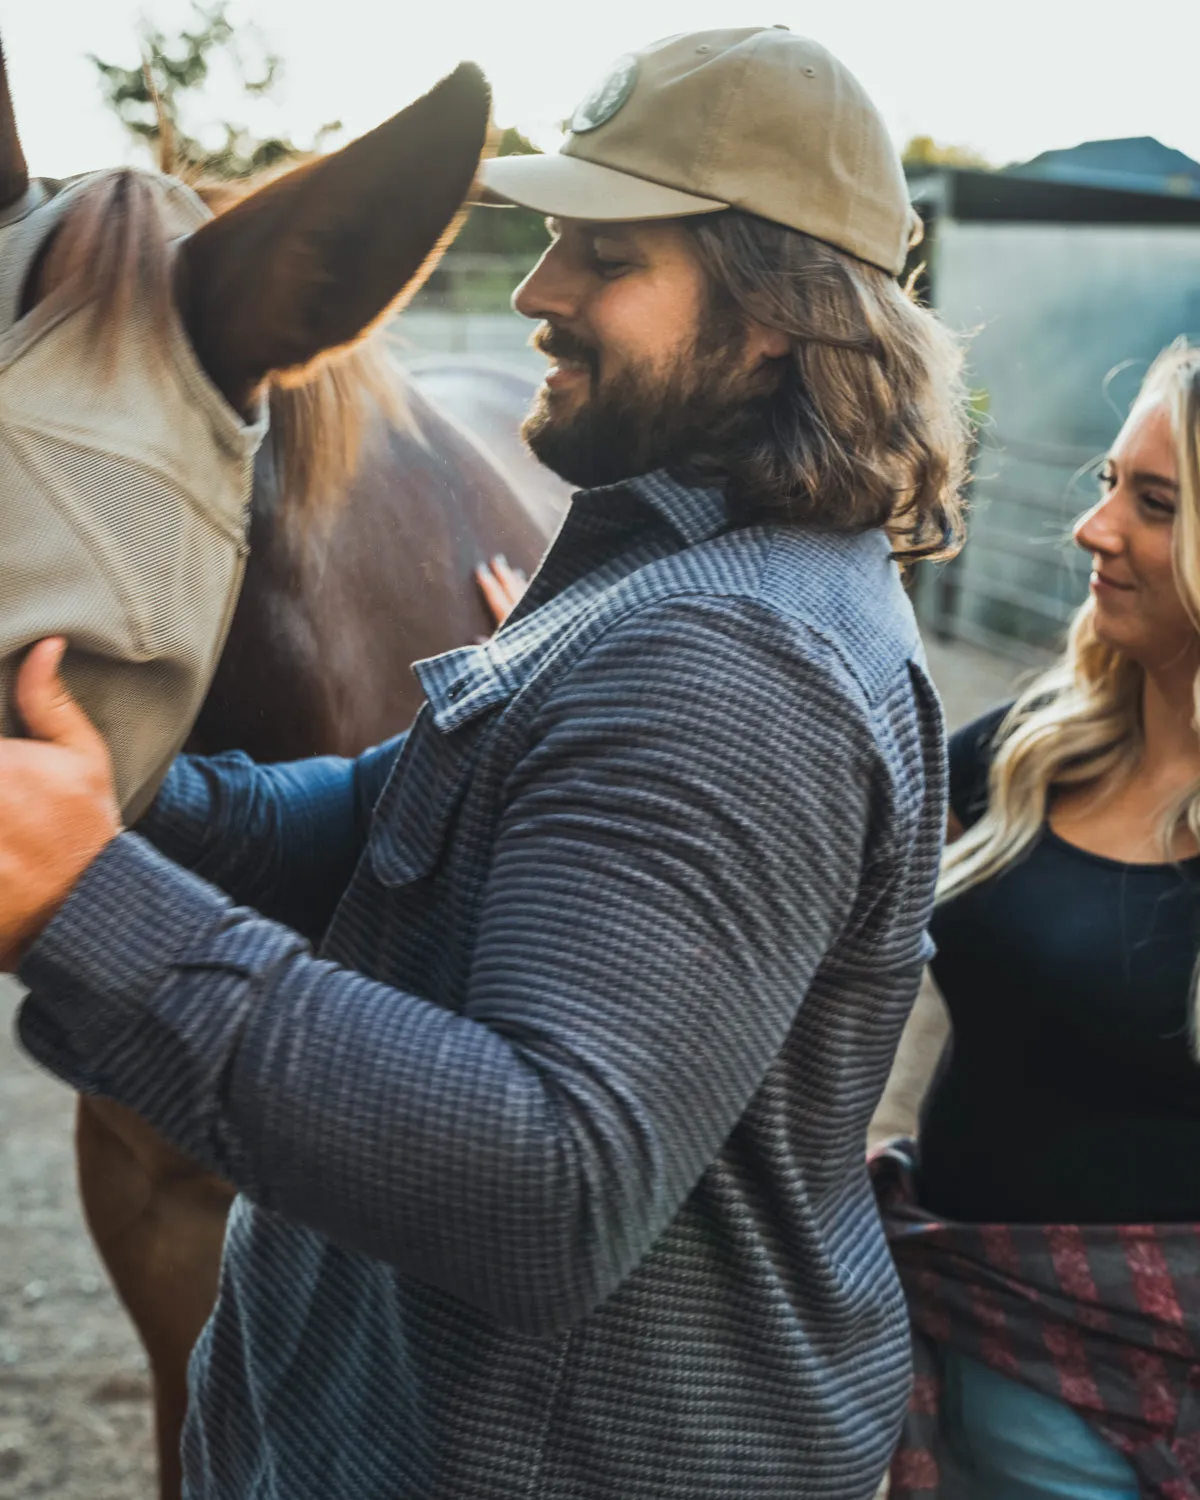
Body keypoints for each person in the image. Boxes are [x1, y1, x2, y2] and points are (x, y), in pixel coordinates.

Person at [0, 28, 969, 1500]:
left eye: (605, 256)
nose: (536, 291)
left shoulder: (735, 664)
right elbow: (370, 822)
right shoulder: (671, 583)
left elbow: (549, 1186)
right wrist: (112, 788)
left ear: (777, 320)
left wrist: (86, 904)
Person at [876, 341, 1200, 1499]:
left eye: (1154, 503)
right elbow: (837, 826)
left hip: (1131, 1412)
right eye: (1109, 483)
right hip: (943, 1335)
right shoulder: (1027, 750)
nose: (1094, 528)